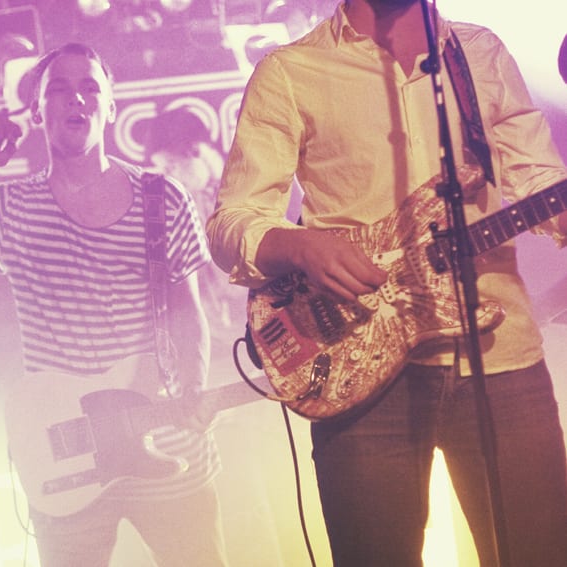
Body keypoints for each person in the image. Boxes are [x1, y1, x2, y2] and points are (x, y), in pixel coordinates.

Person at [207, 1, 567, 566]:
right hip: (356, 367)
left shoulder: (478, 52)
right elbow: (233, 220)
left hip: (500, 358)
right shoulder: (290, 70)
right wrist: (301, 245)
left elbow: (538, 178)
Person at [0, 43, 229, 567]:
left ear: (111, 107)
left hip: (165, 437)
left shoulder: (163, 197)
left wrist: (193, 389)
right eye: (59, 89)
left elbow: (186, 312)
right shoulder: (10, 205)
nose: (76, 98)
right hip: (65, 454)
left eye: (89, 88)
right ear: (37, 112)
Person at [144, 107, 245, 359]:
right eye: (164, 167)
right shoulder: (166, 203)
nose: (168, 174)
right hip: (210, 338)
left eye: (172, 165)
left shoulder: (233, 191)